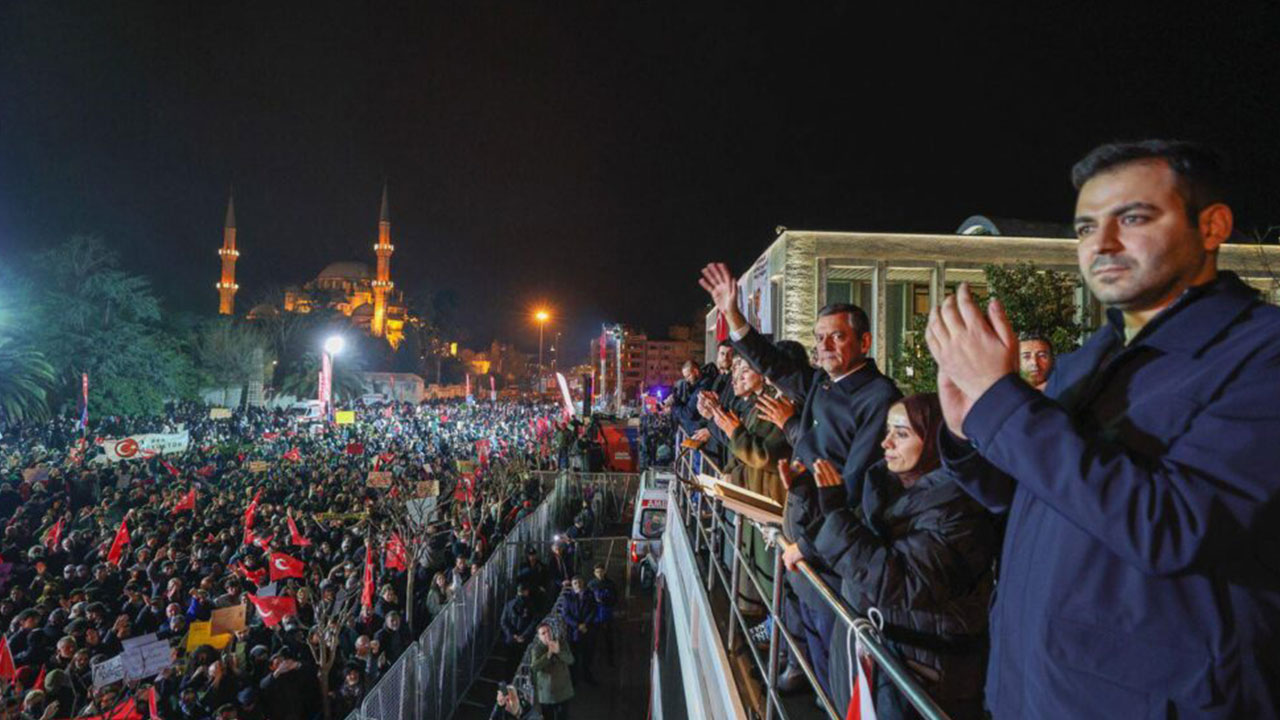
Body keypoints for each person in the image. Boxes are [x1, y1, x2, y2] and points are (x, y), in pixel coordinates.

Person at [926, 139, 1280, 718]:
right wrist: (970, 433)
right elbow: (1038, 497)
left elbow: (1173, 525)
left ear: (1212, 226)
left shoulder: (1259, 355)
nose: (1102, 245)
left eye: (1133, 218)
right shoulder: (1094, 355)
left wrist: (1004, 404)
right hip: (1031, 691)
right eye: (1086, 229)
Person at [700, 262, 902, 696]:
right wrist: (733, 315)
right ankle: (798, 670)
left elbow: (850, 485)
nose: (824, 346)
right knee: (800, 622)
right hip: (800, 528)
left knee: (834, 650)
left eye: (837, 336)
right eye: (819, 338)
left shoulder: (879, 398)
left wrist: (795, 433)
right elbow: (769, 362)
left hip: (827, 549)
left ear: (864, 342)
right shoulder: (821, 384)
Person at [795, 394, 996, 719]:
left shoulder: (959, 512)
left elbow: (899, 583)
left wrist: (834, 511)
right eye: (888, 431)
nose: (886, 443)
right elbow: (857, 535)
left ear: (936, 440)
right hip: (883, 658)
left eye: (901, 434)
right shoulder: (888, 487)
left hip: (921, 673)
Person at [529, 622, 574, 720]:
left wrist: (559, 652)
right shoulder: (537, 649)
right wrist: (548, 655)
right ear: (539, 637)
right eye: (543, 633)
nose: (547, 635)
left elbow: (570, 660)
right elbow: (534, 667)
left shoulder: (561, 643)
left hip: (563, 691)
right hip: (546, 694)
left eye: (548, 631)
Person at [586, 563, 618, 666]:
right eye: (597, 572)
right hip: (594, 616)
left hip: (607, 615)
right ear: (594, 573)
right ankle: (593, 661)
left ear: (604, 571)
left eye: (601, 571)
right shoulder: (591, 585)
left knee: (608, 638)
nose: (599, 574)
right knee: (593, 639)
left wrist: (605, 600)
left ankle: (611, 659)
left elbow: (615, 599)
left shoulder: (610, 584)